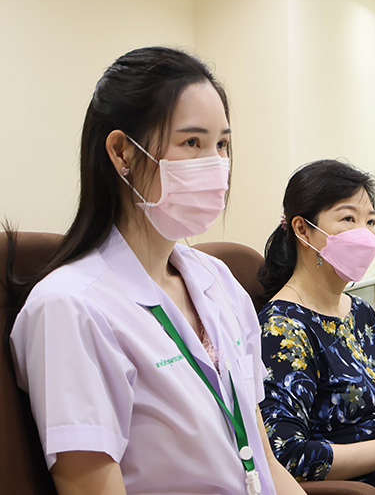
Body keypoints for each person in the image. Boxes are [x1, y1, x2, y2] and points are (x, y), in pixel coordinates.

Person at [6, 47, 303, 495]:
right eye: (192, 143)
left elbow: (262, 461)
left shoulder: (218, 281)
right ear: (122, 152)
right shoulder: (72, 308)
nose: (217, 165)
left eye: (222, 144)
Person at [257, 159, 375, 495]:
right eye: (348, 219)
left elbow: (374, 410)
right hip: (363, 487)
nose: (366, 233)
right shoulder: (283, 327)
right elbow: (285, 456)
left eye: (370, 221)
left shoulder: (361, 312)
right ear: (302, 229)